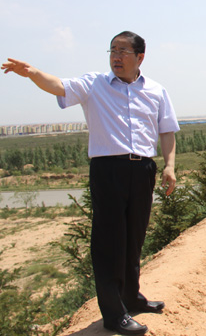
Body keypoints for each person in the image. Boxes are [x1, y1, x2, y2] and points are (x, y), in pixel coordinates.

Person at [2, 31, 179, 336]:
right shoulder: (94, 84)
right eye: (112, 50)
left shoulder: (156, 90)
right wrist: (31, 73)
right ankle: (113, 315)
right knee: (109, 242)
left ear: (140, 57)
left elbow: (167, 131)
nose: (116, 56)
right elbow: (58, 85)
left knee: (134, 237)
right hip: (108, 169)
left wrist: (170, 166)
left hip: (143, 170)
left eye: (123, 51)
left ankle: (131, 297)